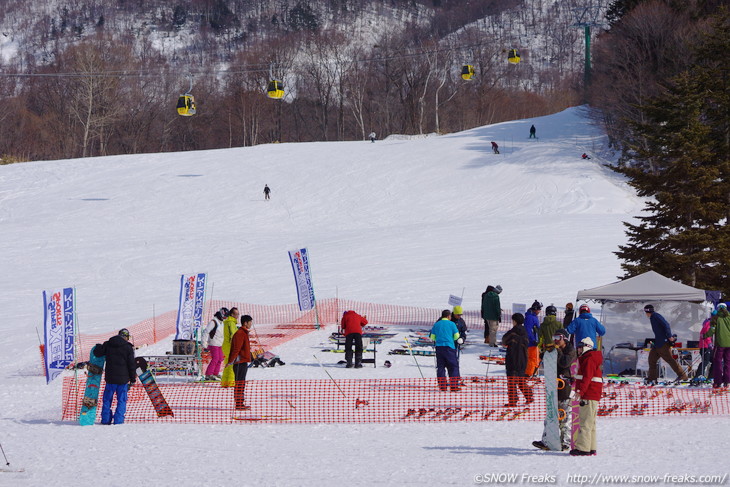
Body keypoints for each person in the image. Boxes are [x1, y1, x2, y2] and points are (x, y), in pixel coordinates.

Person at [533, 328, 576, 451]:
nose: (556, 341)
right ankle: (546, 440)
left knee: (565, 416)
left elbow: (564, 363)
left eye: (558, 338)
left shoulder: (570, 350)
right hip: (553, 388)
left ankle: (565, 441)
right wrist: (546, 351)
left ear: (565, 339)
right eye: (554, 338)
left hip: (565, 388)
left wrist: (557, 351)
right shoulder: (556, 349)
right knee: (550, 415)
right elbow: (545, 360)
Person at [570, 337, 603, 456]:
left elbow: (587, 378)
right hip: (592, 395)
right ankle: (591, 447)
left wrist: (580, 392)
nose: (578, 350)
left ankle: (583, 448)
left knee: (584, 422)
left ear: (585, 347)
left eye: (580, 347)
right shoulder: (591, 358)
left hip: (588, 394)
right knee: (590, 423)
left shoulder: (588, 359)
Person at [98, 328, 136, 425]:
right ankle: (118, 421)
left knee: (107, 400)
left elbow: (98, 353)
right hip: (123, 380)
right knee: (121, 400)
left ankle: (105, 419)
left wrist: (98, 346)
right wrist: (132, 379)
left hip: (110, 379)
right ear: (126, 337)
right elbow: (131, 365)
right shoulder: (128, 347)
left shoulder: (108, 344)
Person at [643, 304, 688, 383]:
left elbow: (666, 325)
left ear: (647, 311)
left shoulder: (656, 316)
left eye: (645, 312)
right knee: (651, 359)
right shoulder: (652, 317)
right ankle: (652, 377)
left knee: (670, 360)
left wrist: (669, 336)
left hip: (663, 343)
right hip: (657, 343)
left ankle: (682, 375)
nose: (645, 314)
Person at [502, 313, 533, 406]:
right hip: (523, 358)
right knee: (521, 380)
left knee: (511, 380)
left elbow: (504, 340)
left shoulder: (512, 332)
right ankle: (529, 396)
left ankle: (513, 400)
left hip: (512, 358)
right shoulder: (525, 332)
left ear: (514, 321)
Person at [226, 314, 253, 413]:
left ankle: (240, 403)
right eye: (250, 322)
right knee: (239, 383)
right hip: (239, 362)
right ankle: (238, 404)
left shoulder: (244, 333)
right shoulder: (240, 333)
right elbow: (236, 349)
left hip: (243, 361)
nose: (251, 324)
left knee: (241, 383)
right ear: (245, 323)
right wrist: (230, 361)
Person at [430, 310, 462, 391]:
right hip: (449, 347)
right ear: (448, 316)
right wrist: (451, 339)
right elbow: (456, 336)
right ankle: (454, 385)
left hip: (439, 348)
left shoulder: (437, 324)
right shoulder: (452, 324)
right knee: (453, 366)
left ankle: (442, 386)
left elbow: (432, 337)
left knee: (440, 367)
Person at [704, 303, 730, 388]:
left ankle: (718, 382)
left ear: (717, 308)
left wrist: (705, 335)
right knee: (728, 362)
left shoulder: (715, 318)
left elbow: (712, 330)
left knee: (718, 362)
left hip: (719, 344)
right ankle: (727, 381)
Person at [202, 307, 228, 380]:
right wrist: (204, 342)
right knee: (215, 358)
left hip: (219, 343)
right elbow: (206, 331)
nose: (225, 318)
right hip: (213, 343)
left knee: (220, 358)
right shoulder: (213, 322)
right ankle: (208, 374)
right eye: (224, 317)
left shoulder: (221, 322)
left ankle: (215, 373)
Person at [220, 307, 240, 387]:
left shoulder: (227, 322)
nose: (238, 315)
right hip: (230, 347)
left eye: (238, 314)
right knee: (232, 365)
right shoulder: (231, 323)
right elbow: (233, 336)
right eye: (236, 314)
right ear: (232, 314)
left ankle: (225, 382)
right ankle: (231, 383)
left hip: (226, 346)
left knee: (227, 365)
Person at [524, 300, 542, 376]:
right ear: (535, 309)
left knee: (535, 358)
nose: (539, 311)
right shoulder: (530, 317)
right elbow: (528, 329)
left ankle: (532, 372)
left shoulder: (533, 316)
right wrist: (533, 340)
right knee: (532, 358)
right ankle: (529, 374)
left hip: (534, 341)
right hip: (531, 342)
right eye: (539, 309)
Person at [696, 313, 715, 379]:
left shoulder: (709, 323)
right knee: (705, 361)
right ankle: (698, 375)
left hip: (707, 346)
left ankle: (711, 376)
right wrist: (709, 343)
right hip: (705, 346)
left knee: (714, 361)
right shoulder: (709, 323)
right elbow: (707, 334)